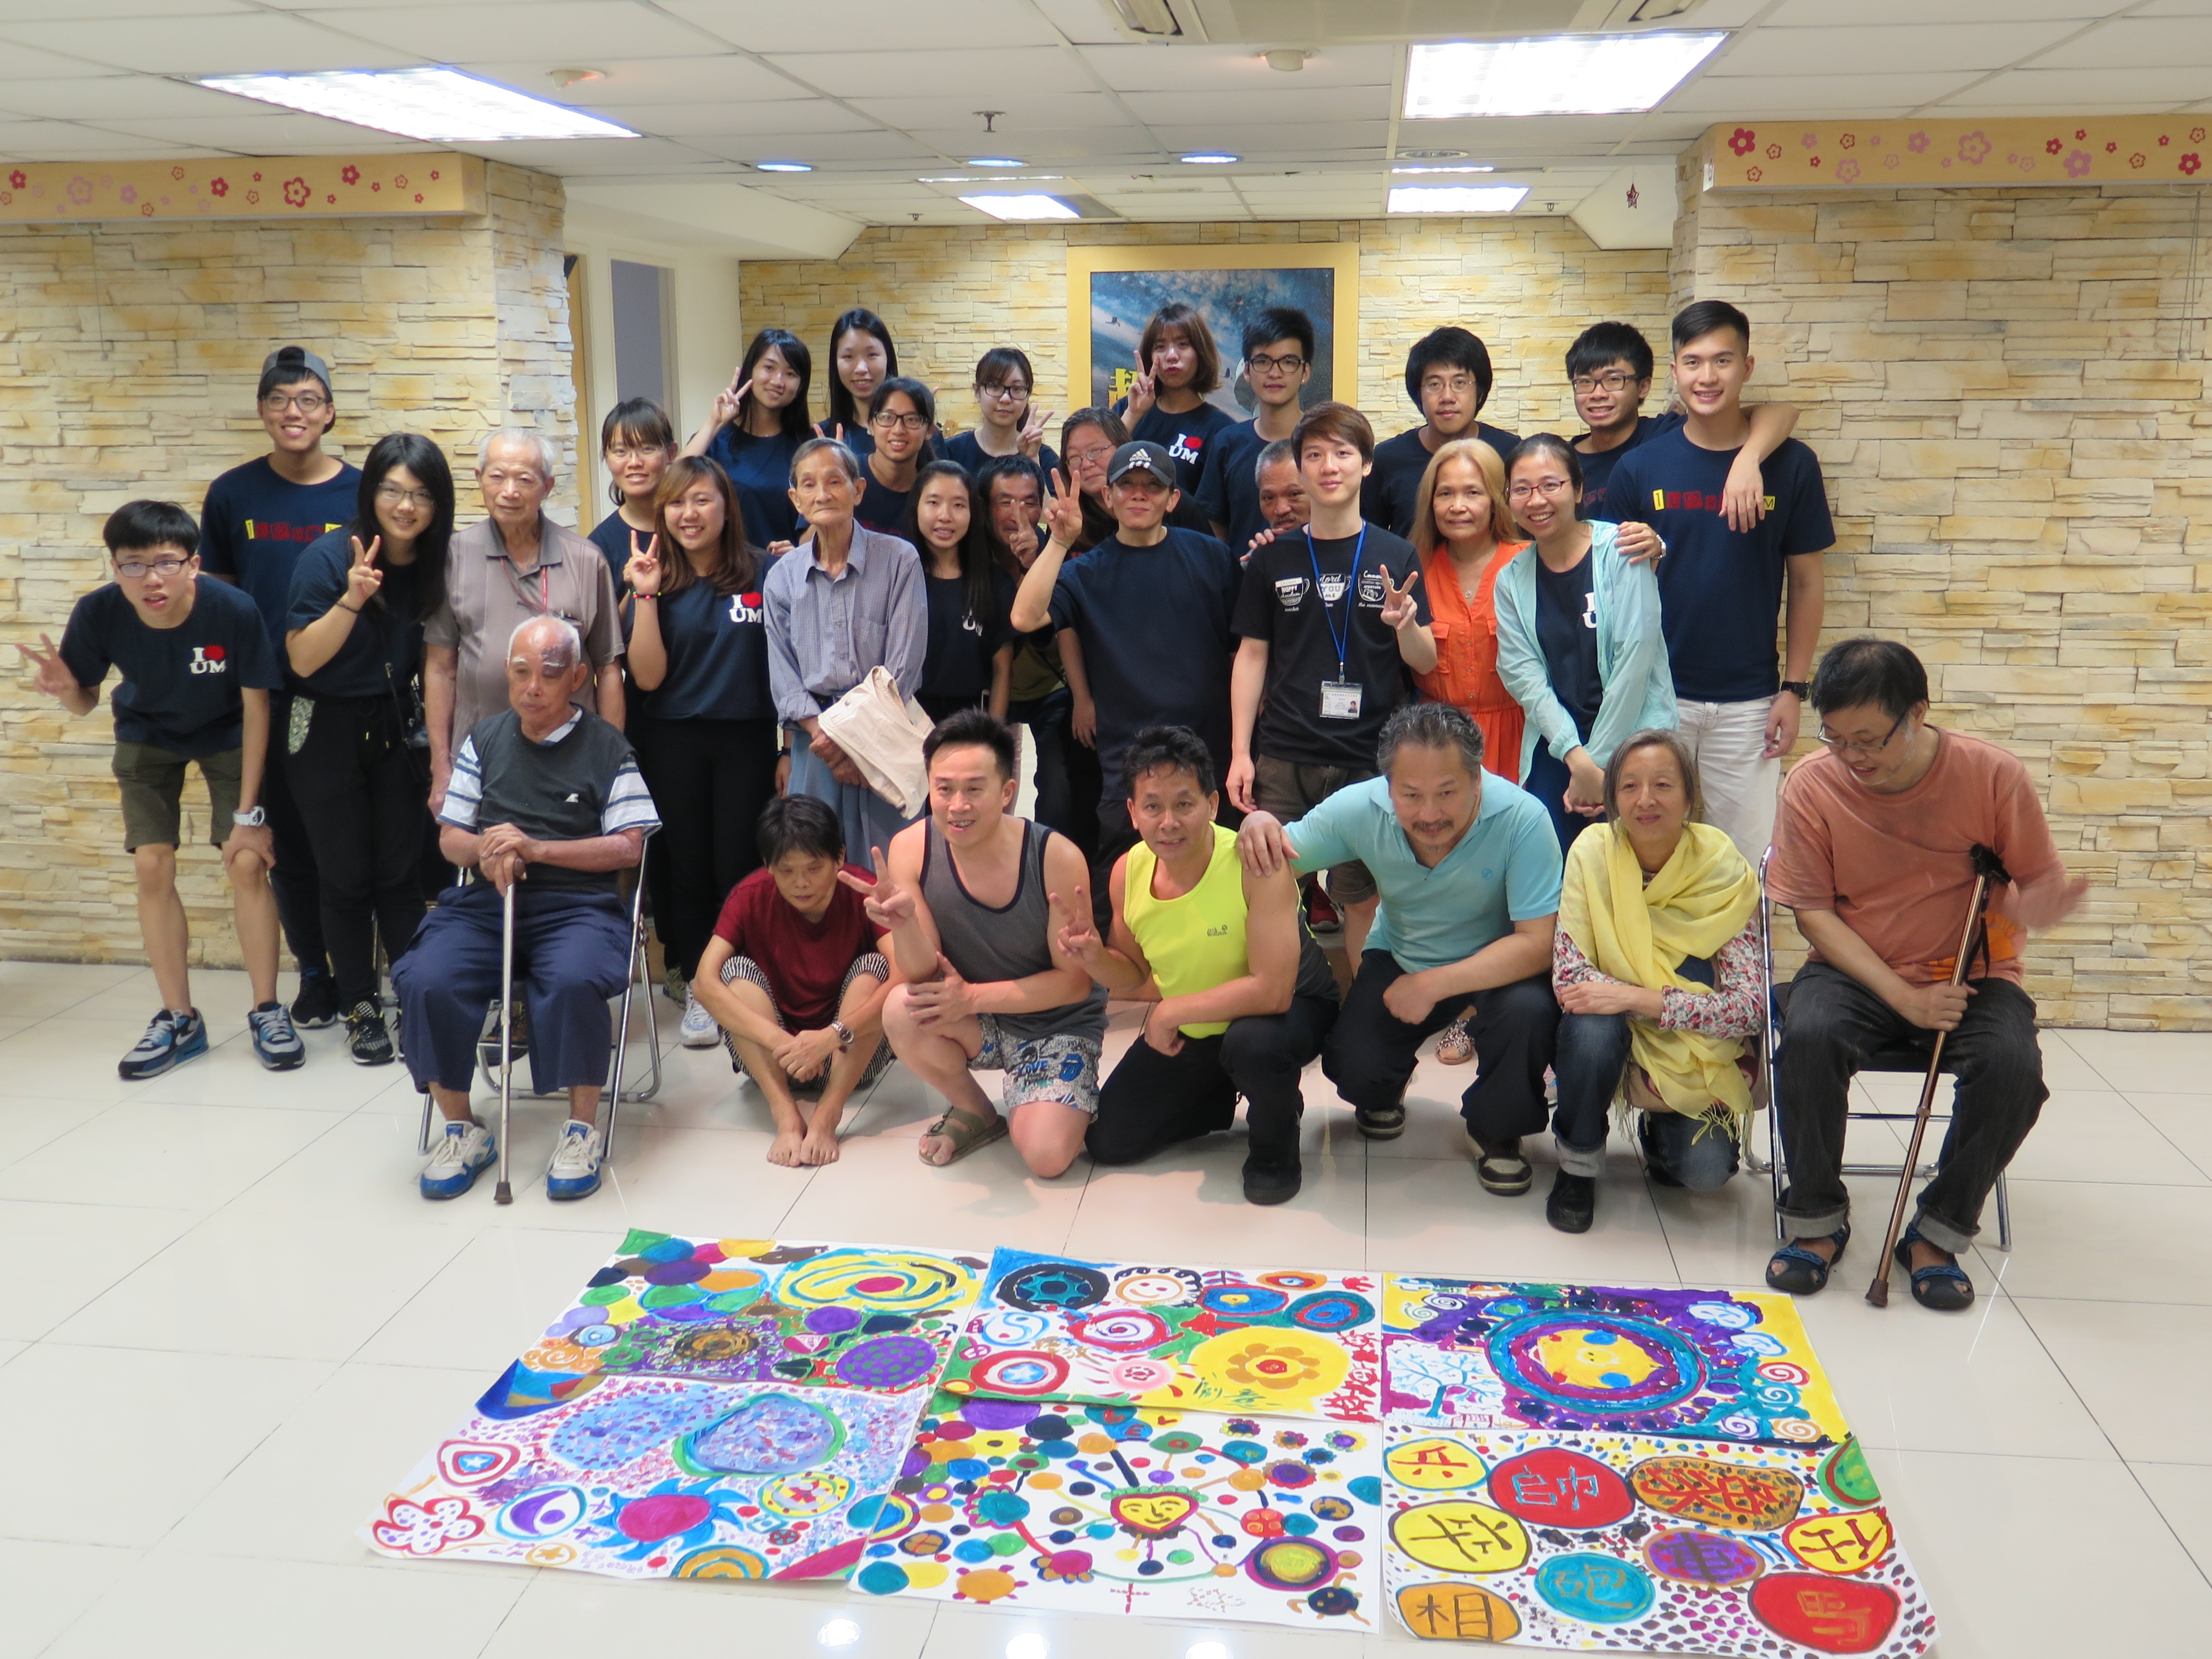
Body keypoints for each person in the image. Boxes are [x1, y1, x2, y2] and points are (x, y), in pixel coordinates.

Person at [1764, 638, 2084, 1311]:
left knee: (2013, 1070)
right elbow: (1813, 914)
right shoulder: (1812, 785)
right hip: (1856, 967)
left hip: (1974, 971)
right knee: (1809, 1038)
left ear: (1917, 714)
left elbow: (2036, 882)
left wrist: (2041, 905)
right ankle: (1816, 1219)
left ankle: (1936, 1232)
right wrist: (1903, 997)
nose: (1852, 759)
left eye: (1870, 740)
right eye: (1836, 738)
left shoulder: (1992, 776)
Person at [1235, 703, 1562, 1196]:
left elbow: (1538, 945)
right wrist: (1256, 826)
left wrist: (1434, 984)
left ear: (1478, 778)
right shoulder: (1361, 807)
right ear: (1387, 786)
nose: (1429, 814)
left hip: (1499, 966)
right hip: (1403, 951)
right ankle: (1390, 1084)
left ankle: (1498, 1129)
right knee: (1353, 1070)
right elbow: (1279, 858)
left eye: (1447, 792)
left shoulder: (1523, 818)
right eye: (1411, 795)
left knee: (1529, 1011)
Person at [21, 500, 296, 1077]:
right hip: (148, 733)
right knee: (152, 865)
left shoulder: (233, 610)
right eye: (133, 565)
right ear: (115, 567)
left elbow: (257, 708)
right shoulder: (99, 613)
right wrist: (66, 687)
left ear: (193, 565)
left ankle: (267, 1009)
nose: (152, 579)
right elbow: (85, 700)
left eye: (167, 563)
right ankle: (178, 1018)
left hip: (227, 734)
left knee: (246, 861)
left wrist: (249, 814)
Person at [397, 615, 659, 1203]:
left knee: (569, 980)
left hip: (580, 906)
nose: (532, 686)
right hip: (489, 903)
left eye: (549, 672)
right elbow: (451, 838)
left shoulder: (608, 747)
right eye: (520, 672)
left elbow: (628, 846)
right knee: (425, 976)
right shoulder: (485, 740)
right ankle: (462, 1129)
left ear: (579, 678)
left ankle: (581, 1130)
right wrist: (487, 850)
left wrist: (537, 849)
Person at [1073, 727, 1341, 1204]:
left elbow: (1274, 991)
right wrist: (1095, 958)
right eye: (1153, 806)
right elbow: (1134, 975)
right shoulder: (1127, 872)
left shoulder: (1254, 862)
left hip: (1291, 1008)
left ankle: (1275, 1145)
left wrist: (1170, 1013)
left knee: (1253, 1044)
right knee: (1109, 1142)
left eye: (1185, 804)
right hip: (1202, 1023)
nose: (1169, 822)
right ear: (1133, 813)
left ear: (1213, 805)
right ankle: (1222, 1090)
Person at [1610, 301, 1835, 862]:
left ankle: (1744, 956)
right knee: (1644, 852)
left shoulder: (1791, 465)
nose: (1706, 377)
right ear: (1674, 371)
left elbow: (1806, 582)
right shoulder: (1641, 468)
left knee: (1745, 860)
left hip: (1750, 703)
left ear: (1747, 367)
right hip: (1656, 695)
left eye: (1722, 361)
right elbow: (1610, 588)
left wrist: (1794, 688)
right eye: (1693, 362)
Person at [847, 710, 1104, 1176]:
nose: (957, 805)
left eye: (974, 789)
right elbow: (923, 974)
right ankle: (976, 1111)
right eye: (944, 789)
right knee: (901, 1008)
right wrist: (901, 925)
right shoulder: (911, 848)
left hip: (1053, 1024)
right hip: (973, 1018)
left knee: (1046, 1159)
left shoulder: (1056, 858)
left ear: (1007, 792)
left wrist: (970, 996)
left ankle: (1042, 1094)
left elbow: (1074, 986)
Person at [1228, 402, 1433, 962]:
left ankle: (1355, 1010)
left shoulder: (1396, 555)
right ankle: (1286, 1002)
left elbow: (1425, 659)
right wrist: (1240, 752)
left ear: (1366, 465)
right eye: (1313, 455)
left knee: (1361, 899)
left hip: (1369, 758)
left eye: (1342, 453)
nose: (1328, 466)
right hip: (1285, 752)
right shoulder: (1274, 557)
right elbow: (1251, 655)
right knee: (1270, 886)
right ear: (1298, 468)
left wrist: (1406, 623)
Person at [199, 345, 358, 1031]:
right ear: (262, 411)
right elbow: (221, 598)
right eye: (278, 400)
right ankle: (315, 975)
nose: (293, 412)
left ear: (330, 412)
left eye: (307, 400)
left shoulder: (359, 493)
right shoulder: (233, 494)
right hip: (266, 699)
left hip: (345, 696)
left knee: (344, 847)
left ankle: (361, 977)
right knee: (284, 847)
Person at [1547, 730, 1763, 1234]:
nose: (1646, 800)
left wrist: (1638, 998)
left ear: (1690, 796)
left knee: (1707, 1174)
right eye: (1629, 787)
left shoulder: (1721, 868)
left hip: (1687, 1048)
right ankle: (1578, 1162)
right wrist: (1628, 1004)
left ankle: (1661, 1128)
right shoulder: (1593, 852)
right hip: (1610, 1032)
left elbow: (1748, 1006)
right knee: (1592, 1028)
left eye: (1663, 785)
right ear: (1612, 799)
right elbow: (1570, 977)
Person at [283, 433, 453, 1064]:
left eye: (420, 495)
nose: (405, 506)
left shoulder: (433, 563)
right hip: (320, 725)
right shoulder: (331, 558)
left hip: (392, 726)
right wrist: (352, 597)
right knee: (345, 877)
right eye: (392, 490)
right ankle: (359, 1005)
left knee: (399, 875)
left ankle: (414, 996)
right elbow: (301, 658)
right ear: (370, 491)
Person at [1009, 441, 1242, 883]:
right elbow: (1024, 617)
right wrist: (1059, 541)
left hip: (1209, 754)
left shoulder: (1211, 557)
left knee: (1217, 883)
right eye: (1127, 485)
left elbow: (1240, 647)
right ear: (1108, 497)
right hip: (1127, 764)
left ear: (1173, 499)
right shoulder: (1085, 571)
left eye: (1153, 486)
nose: (1139, 494)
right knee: (1123, 889)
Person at [622, 457, 781, 1048]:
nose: (689, 514)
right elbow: (646, 677)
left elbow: (786, 663)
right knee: (687, 869)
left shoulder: (765, 571)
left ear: (726, 506)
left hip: (747, 736)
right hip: (673, 740)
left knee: (739, 866)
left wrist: (787, 744)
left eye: (701, 500)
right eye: (676, 503)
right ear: (661, 512)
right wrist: (643, 597)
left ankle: (742, 985)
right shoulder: (652, 575)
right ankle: (700, 989)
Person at [424, 427, 624, 814]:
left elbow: (609, 670)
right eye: (497, 476)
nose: (510, 491)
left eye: (525, 479)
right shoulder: (454, 556)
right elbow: (439, 668)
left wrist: (610, 762)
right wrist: (441, 767)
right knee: (485, 862)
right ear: (480, 479)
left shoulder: (586, 560)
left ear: (547, 486)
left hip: (573, 761)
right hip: (480, 761)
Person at [1493, 435, 1676, 857]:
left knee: (1635, 868)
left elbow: (1636, 657)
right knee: (1550, 868)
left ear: (1577, 489)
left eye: (1550, 485)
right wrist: (1579, 761)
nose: (1536, 500)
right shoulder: (1511, 579)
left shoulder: (1621, 549)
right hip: (1559, 743)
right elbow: (1524, 677)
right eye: (1522, 489)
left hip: (1635, 735)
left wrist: (1600, 763)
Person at [695, 794, 898, 1168]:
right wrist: (784, 1044)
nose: (801, 883)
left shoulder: (863, 890)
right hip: (776, 1059)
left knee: (876, 968)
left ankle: (828, 1114)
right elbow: (703, 984)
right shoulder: (750, 896)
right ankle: (784, 1113)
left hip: (850, 1054)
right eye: (786, 870)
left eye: (814, 868)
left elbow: (905, 974)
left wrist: (831, 1037)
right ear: (768, 865)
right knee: (733, 975)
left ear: (839, 858)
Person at [764, 437, 927, 859]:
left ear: (858, 490)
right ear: (795, 499)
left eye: (835, 481)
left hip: (885, 737)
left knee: (891, 864)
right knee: (813, 864)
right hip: (813, 744)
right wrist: (830, 742)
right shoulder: (781, 578)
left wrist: (857, 745)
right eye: (809, 484)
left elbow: (904, 667)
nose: (823, 494)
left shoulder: (899, 560)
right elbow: (784, 679)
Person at [980, 454, 1100, 857]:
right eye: (1004, 501)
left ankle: (1055, 865)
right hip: (989, 690)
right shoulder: (973, 557)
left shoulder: (1057, 550)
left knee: (1060, 790)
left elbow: (1064, 631)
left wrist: (1038, 562)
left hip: (1052, 688)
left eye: (1030, 501)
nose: (1018, 512)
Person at [1565, 321, 1796, 524]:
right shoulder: (1564, 462)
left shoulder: (1665, 433)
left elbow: (1782, 413)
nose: (1598, 394)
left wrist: (1749, 458)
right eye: (1585, 382)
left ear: (1644, 386)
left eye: (1613, 380)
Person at [1363, 327, 1521, 539]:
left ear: (1480, 391)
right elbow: (1370, 541)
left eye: (1460, 383)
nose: (1447, 396)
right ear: (1418, 393)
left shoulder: (1511, 453)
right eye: (1434, 384)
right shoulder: (1387, 459)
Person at [1194, 307, 1313, 559]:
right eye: (1263, 361)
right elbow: (1216, 534)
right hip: (1243, 589)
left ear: (1305, 372)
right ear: (1247, 371)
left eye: (1289, 362)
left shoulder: (1325, 443)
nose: (1275, 373)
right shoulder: (1227, 443)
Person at [905, 460, 1014, 724]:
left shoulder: (995, 582)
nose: (945, 516)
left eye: (958, 505)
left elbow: (1003, 670)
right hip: (903, 720)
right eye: (933, 503)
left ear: (973, 512)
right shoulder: (897, 577)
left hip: (968, 722)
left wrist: (993, 736)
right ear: (916, 507)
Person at [684, 327, 812, 550]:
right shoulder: (716, 440)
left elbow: (820, 518)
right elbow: (674, 484)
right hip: (724, 575)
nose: (778, 381)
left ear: (801, 386)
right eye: (769, 368)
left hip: (786, 575)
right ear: (751, 370)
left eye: (790, 373)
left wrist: (799, 554)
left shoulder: (806, 448)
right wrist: (714, 423)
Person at [1112, 302, 1237, 495]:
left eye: (1183, 344)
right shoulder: (1126, 410)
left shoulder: (1221, 430)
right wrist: (1133, 415)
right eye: (1160, 346)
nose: (1171, 356)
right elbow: (1101, 477)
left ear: (1200, 352)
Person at [588, 398, 676, 597]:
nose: (634, 462)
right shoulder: (599, 547)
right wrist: (636, 587)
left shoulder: (690, 526)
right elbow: (603, 627)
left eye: (647, 449)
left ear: (671, 453)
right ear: (607, 458)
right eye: (621, 452)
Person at [943, 347, 1059, 481]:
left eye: (1017, 389)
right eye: (995, 386)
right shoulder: (951, 452)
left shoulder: (1044, 458)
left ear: (1028, 394)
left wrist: (1032, 461)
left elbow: (1054, 503)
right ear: (977, 392)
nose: (1005, 399)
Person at [854, 378, 934, 535]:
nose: (898, 430)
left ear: (930, 431)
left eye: (912, 419)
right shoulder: (847, 473)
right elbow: (807, 546)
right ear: (871, 425)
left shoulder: (935, 488)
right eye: (887, 417)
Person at [822, 307, 898, 457]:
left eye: (872, 355)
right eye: (848, 357)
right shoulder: (823, 438)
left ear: (888, 358)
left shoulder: (912, 432)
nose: (861, 368)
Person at [1253, 438, 1312, 547]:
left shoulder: (1351, 548)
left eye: (1294, 494)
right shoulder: (1266, 556)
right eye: (1269, 498)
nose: (1281, 510)